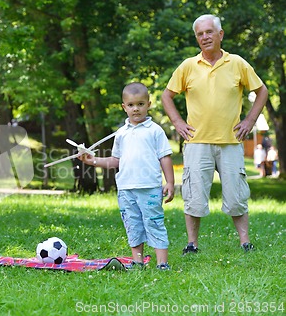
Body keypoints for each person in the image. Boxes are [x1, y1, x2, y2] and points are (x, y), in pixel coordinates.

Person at [161, 14, 269, 254]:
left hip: (231, 141)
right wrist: (177, 122)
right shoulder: (188, 66)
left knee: (236, 195)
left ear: (220, 34)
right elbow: (166, 96)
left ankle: (244, 242)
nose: (204, 37)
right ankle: (192, 244)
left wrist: (250, 120)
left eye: (209, 32)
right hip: (197, 142)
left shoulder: (237, 63)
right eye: (199, 34)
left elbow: (262, 91)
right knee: (194, 196)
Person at [80, 82, 175, 270]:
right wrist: (93, 161)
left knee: (154, 223)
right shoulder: (121, 133)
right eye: (131, 105)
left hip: (149, 187)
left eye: (140, 104)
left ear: (148, 104)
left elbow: (165, 157)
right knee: (133, 225)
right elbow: (116, 160)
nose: (136, 109)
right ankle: (137, 262)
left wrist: (170, 182)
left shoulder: (155, 131)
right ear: (124, 107)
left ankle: (162, 263)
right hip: (126, 189)